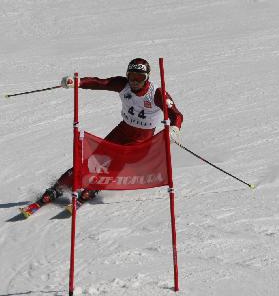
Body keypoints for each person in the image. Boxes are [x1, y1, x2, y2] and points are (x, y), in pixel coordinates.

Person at [38, 58, 184, 207]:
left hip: (141, 140)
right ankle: (58, 187)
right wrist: (78, 82)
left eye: (140, 78)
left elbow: (177, 115)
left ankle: (94, 186)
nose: (134, 81)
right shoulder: (123, 84)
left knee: (116, 162)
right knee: (94, 160)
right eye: (132, 76)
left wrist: (174, 129)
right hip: (122, 131)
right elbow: (100, 83)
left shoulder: (157, 94)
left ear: (147, 77)